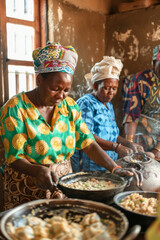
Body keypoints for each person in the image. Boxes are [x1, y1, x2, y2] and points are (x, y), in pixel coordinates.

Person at [0, 43, 143, 210]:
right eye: (55, 89)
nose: (61, 96)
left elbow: (88, 143)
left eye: (66, 90)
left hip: (64, 184)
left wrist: (115, 168)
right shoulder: (15, 108)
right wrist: (37, 171)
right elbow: (14, 157)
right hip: (26, 186)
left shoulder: (69, 106)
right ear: (39, 80)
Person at [71, 56, 144, 172]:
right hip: (89, 164)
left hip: (108, 163)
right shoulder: (86, 103)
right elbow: (87, 136)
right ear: (95, 86)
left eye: (114, 88)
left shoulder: (108, 104)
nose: (111, 93)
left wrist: (129, 144)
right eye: (106, 88)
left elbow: (111, 134)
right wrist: (117, 147)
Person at [123, 45, 160, 160]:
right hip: (141, 135)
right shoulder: (140, 80)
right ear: (154, 64)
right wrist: (130, 145)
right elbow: (132, 116)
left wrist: (157, 150)